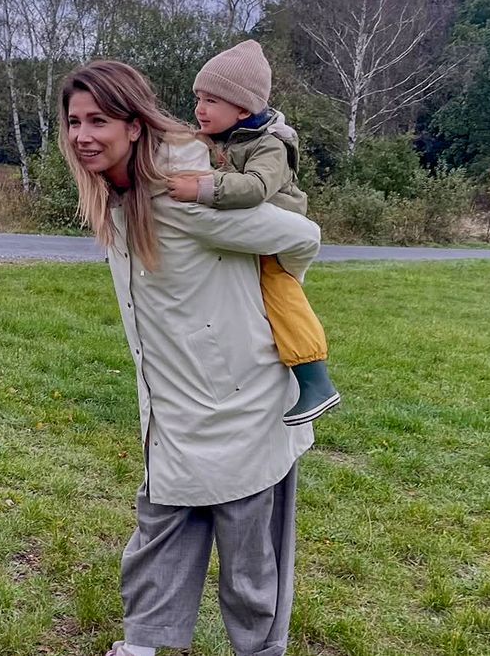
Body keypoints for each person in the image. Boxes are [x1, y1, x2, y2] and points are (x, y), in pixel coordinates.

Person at [58, 60, 321, 656]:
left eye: (98, 120)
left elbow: (302, 236)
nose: (82, 136)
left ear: (133, 125)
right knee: (160, 523)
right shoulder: (119, 194)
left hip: (241, 402)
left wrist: (271, 299)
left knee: (248, 547)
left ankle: (260, 650)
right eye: (75, 121)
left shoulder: (187, 196)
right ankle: (142, 644)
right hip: (173, 404)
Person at [164, 39, 339, 425]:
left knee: (281, 295)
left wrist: (202, 188)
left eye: (211, 101)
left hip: (273, 239)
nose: (200, 108)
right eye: (198, 98)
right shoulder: (226, 135)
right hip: (245, 235)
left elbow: (257, 187)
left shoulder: (271, 144)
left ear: (243, 108)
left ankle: (315, 379)